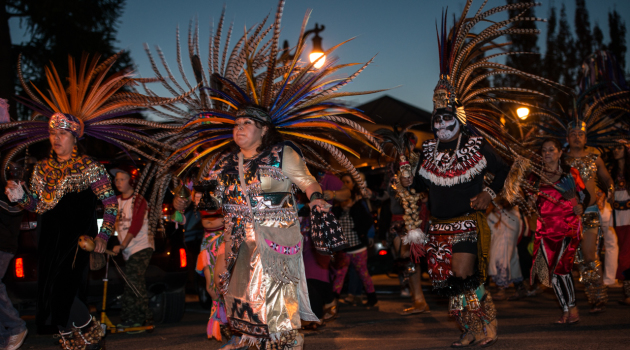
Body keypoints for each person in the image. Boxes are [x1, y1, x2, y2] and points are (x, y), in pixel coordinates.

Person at [401, 2, 560, 346]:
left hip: (466, 222)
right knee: (447, 283)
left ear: (457, 117)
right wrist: (405, 177)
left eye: (446, 117)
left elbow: (503, 171)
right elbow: (417, 186)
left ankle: (483, 325)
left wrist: (489, 192)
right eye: (437, 119)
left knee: (462, 274)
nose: (441, 124)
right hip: (437, 226)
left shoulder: (475, 144)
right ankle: (471, 327)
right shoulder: (428, 151)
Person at [1, 53, 184, 348]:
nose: (55, 137)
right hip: (47, 235)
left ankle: (89, 330)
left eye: (62, 133)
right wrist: (22, 198)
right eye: (52, 132)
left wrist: (102, 236)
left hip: (78, 236)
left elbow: (109, 203)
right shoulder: (40, 169)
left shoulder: (90, 167)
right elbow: (38, 206)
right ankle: (79, 338)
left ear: (75, 137)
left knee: (63, 289)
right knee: (49, 292)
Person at [529, 138, 589, 324]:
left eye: (551, 150)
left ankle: (573, 307)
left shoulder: (570, 174)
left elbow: (585, 195)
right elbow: (531, 202)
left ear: (560, 153)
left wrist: (581, 206)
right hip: (546, 230)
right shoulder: (535, 176)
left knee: (561, 269)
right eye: (544, 150)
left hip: (568, 227)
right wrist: (529, 204)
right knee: (551, 271)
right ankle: (565, 309)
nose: (547, 153)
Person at [110, 165, 154, 331]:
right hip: (128, 249)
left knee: (134, 283)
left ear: (132, 181)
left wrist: (122, 245)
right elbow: (112, 224)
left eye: (122, 179)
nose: (118, 182)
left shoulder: (138, 200)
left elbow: (135, 226)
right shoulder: (116, 202)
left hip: (141, 246)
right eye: (116, 179)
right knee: (130, 283)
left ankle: (142, 318)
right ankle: (130, 318)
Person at [331, 174, 377, 308]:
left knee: (363, 274)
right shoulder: (337, 208)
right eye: (343, 181)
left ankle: (372, 298)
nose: (345, 184)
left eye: (348, 181)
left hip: (358, 247)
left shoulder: (358, 205)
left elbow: (368, 220)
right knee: (340, 275)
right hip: (344, 248)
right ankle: (333, 300)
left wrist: (367, 235)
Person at [0, 168, 27, 350]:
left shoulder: (9, 180)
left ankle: (16, 327)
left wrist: (13, 190)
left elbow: (15, 209)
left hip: (2, 243)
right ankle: (3, 336)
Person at [194, 204, 227, 341]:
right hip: (207, 240)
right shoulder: (198, 190)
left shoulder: (222, 187)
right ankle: (219, 320)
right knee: (211, 288)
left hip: (223, 238)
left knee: (221, 283)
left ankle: (229, 323)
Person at [486, 199, 525, 301]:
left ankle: (504, 289)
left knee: (508, 263)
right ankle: (517, 288)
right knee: (507, 264)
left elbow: (515, 225)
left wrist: (501, 212)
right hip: (497, 245)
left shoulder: (512, 213)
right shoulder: (493, 215)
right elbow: (490, 229)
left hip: (508, 244)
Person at [609, 144, 630, 303]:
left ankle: (628, 294)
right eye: (614, 148)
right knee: (624, 251)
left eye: (619, 148)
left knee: (625, 254)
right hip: (618, 216)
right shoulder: (611, 171)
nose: (616, 151)